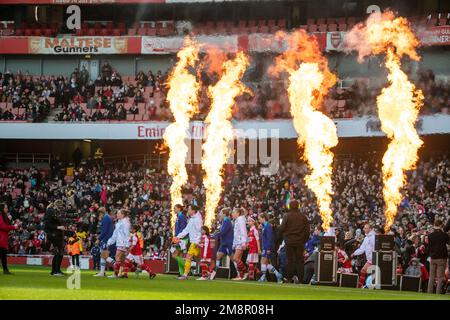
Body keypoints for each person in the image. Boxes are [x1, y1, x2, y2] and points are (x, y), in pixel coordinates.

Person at [278, 200, 309, 284]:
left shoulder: (286, 216)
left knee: (290, 261)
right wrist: (303, 240)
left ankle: (289, 278)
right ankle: (301, 280)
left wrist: (279, 227)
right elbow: (307, 231)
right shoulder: (303, 217)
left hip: (289, 241)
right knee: (300, 261)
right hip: (300, 242)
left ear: (289, 207)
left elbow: (282, 228)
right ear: (298, 206)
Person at [173, 205, 203, 280]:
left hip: (196, 242)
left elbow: (200, 231)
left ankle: (185, 275)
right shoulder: (192, 219)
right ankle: (208, 272)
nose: (188, 211)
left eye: (189, 209)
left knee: (188, 257)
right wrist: (178, 236)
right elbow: (186, 230)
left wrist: (197, 241)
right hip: (193, 241)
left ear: (193, 211)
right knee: (198, 259)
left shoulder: (198, 219)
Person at [258, 213, 283, 283]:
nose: (259, 220)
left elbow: (269, 238)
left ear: (263, 218)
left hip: (267, 247)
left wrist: (268, 248)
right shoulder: (265, 226)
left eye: (259, 218)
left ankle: (263, 277)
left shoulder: (267, 226)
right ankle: (278, 275)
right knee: (265, 263)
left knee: (263, 261)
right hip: (265, 247)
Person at [43, 200, 66, 276]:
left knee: (59, 253)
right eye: (61, 206)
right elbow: (47, 225)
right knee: (58, 253)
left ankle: (55, 271)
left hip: (56, 235)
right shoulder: (50, 211)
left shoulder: (53, 212)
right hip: (53, 235)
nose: (62, 208)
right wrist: (58, 227)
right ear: (57, 206)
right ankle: (56, 271)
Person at [426, 219, 449, 294]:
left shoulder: (430, 236)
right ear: (441, 225)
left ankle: (429, 292)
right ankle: (438, 293)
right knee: (440, 277)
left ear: (434, 225)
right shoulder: (444, 235)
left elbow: (429, 247)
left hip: (433, 257)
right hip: (442, 258)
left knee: (431, 277)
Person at [106, 208, 131, 278]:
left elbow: (127, 234)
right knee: (122, 260)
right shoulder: (119, 223)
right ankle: (121, 274)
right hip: (120, 243)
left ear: (122, 215)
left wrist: (126, 245)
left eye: (118, 213)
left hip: (122, 244)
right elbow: (115, 234)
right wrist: (110, 242)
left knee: (117, 258)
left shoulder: (126, 223)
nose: (117, 215)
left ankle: (115, 274)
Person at [210, 207, 233, 280]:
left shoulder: (226, 220)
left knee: (233, 258)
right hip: (224, 243)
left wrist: (214, 235)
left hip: (228, 243)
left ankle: (241, 273)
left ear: (224, 214)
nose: (219, 214)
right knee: (217, 256)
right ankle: (214, 273)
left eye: (220, 213)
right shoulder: (224, 221)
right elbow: (220, 231)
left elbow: (223, 232)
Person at [351, 223, 376, 288]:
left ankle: (369, 286)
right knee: (363, 270)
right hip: (370, 259)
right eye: (364, 228)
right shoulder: (366, 238)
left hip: (375, 258)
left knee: (371, 272)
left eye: (366, 228)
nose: (364, 229)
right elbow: (362, 249)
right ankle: (360, 286)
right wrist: (354, 253)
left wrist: (373, 256)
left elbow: (376, 248)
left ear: (370, 229)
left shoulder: (374, 237)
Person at [94, 207, 114, 277]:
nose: (99, 216)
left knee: (104, 256)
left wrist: (98, 239)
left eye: (99, 214)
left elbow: (104, 231)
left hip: (106, 239)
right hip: (109, 238)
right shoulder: (108, 217)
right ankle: (102, 272)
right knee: (103, 256)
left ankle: (116, 265)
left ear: (101, 213)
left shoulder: (105, 218)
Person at [0, 203, 18, 275]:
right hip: (1, 239)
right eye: (6, 208)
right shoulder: (1, 215)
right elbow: (3, 226)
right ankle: (5, 270)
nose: (7, 209)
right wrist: (13, 227)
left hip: (3, 239)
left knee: (3, 256)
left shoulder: (4, 216)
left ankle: (5, 270)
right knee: (3, 255)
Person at [231, 207, 248, 281]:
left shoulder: (240, 220)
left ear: (237, 213)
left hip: (240, 242)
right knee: (238, 259)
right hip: (238, 242)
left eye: (233, 212)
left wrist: (243, 242)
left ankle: (245, 271)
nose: (232, 214)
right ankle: (240, 276)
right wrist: (234, 244)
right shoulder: (237, 220)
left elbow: (243, 231)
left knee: (235, 258)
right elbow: (236, 233)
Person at [171, 204, 188, 276]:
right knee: (180, 256)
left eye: (174, 208)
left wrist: (178, 237)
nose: (174, 210)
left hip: (181, 238)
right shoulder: (179, 216)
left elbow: (183, 228)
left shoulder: (182, 216)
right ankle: (182, 273)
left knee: (174, 255)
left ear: (178, 208)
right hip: (179, 238)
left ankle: (187, 268)